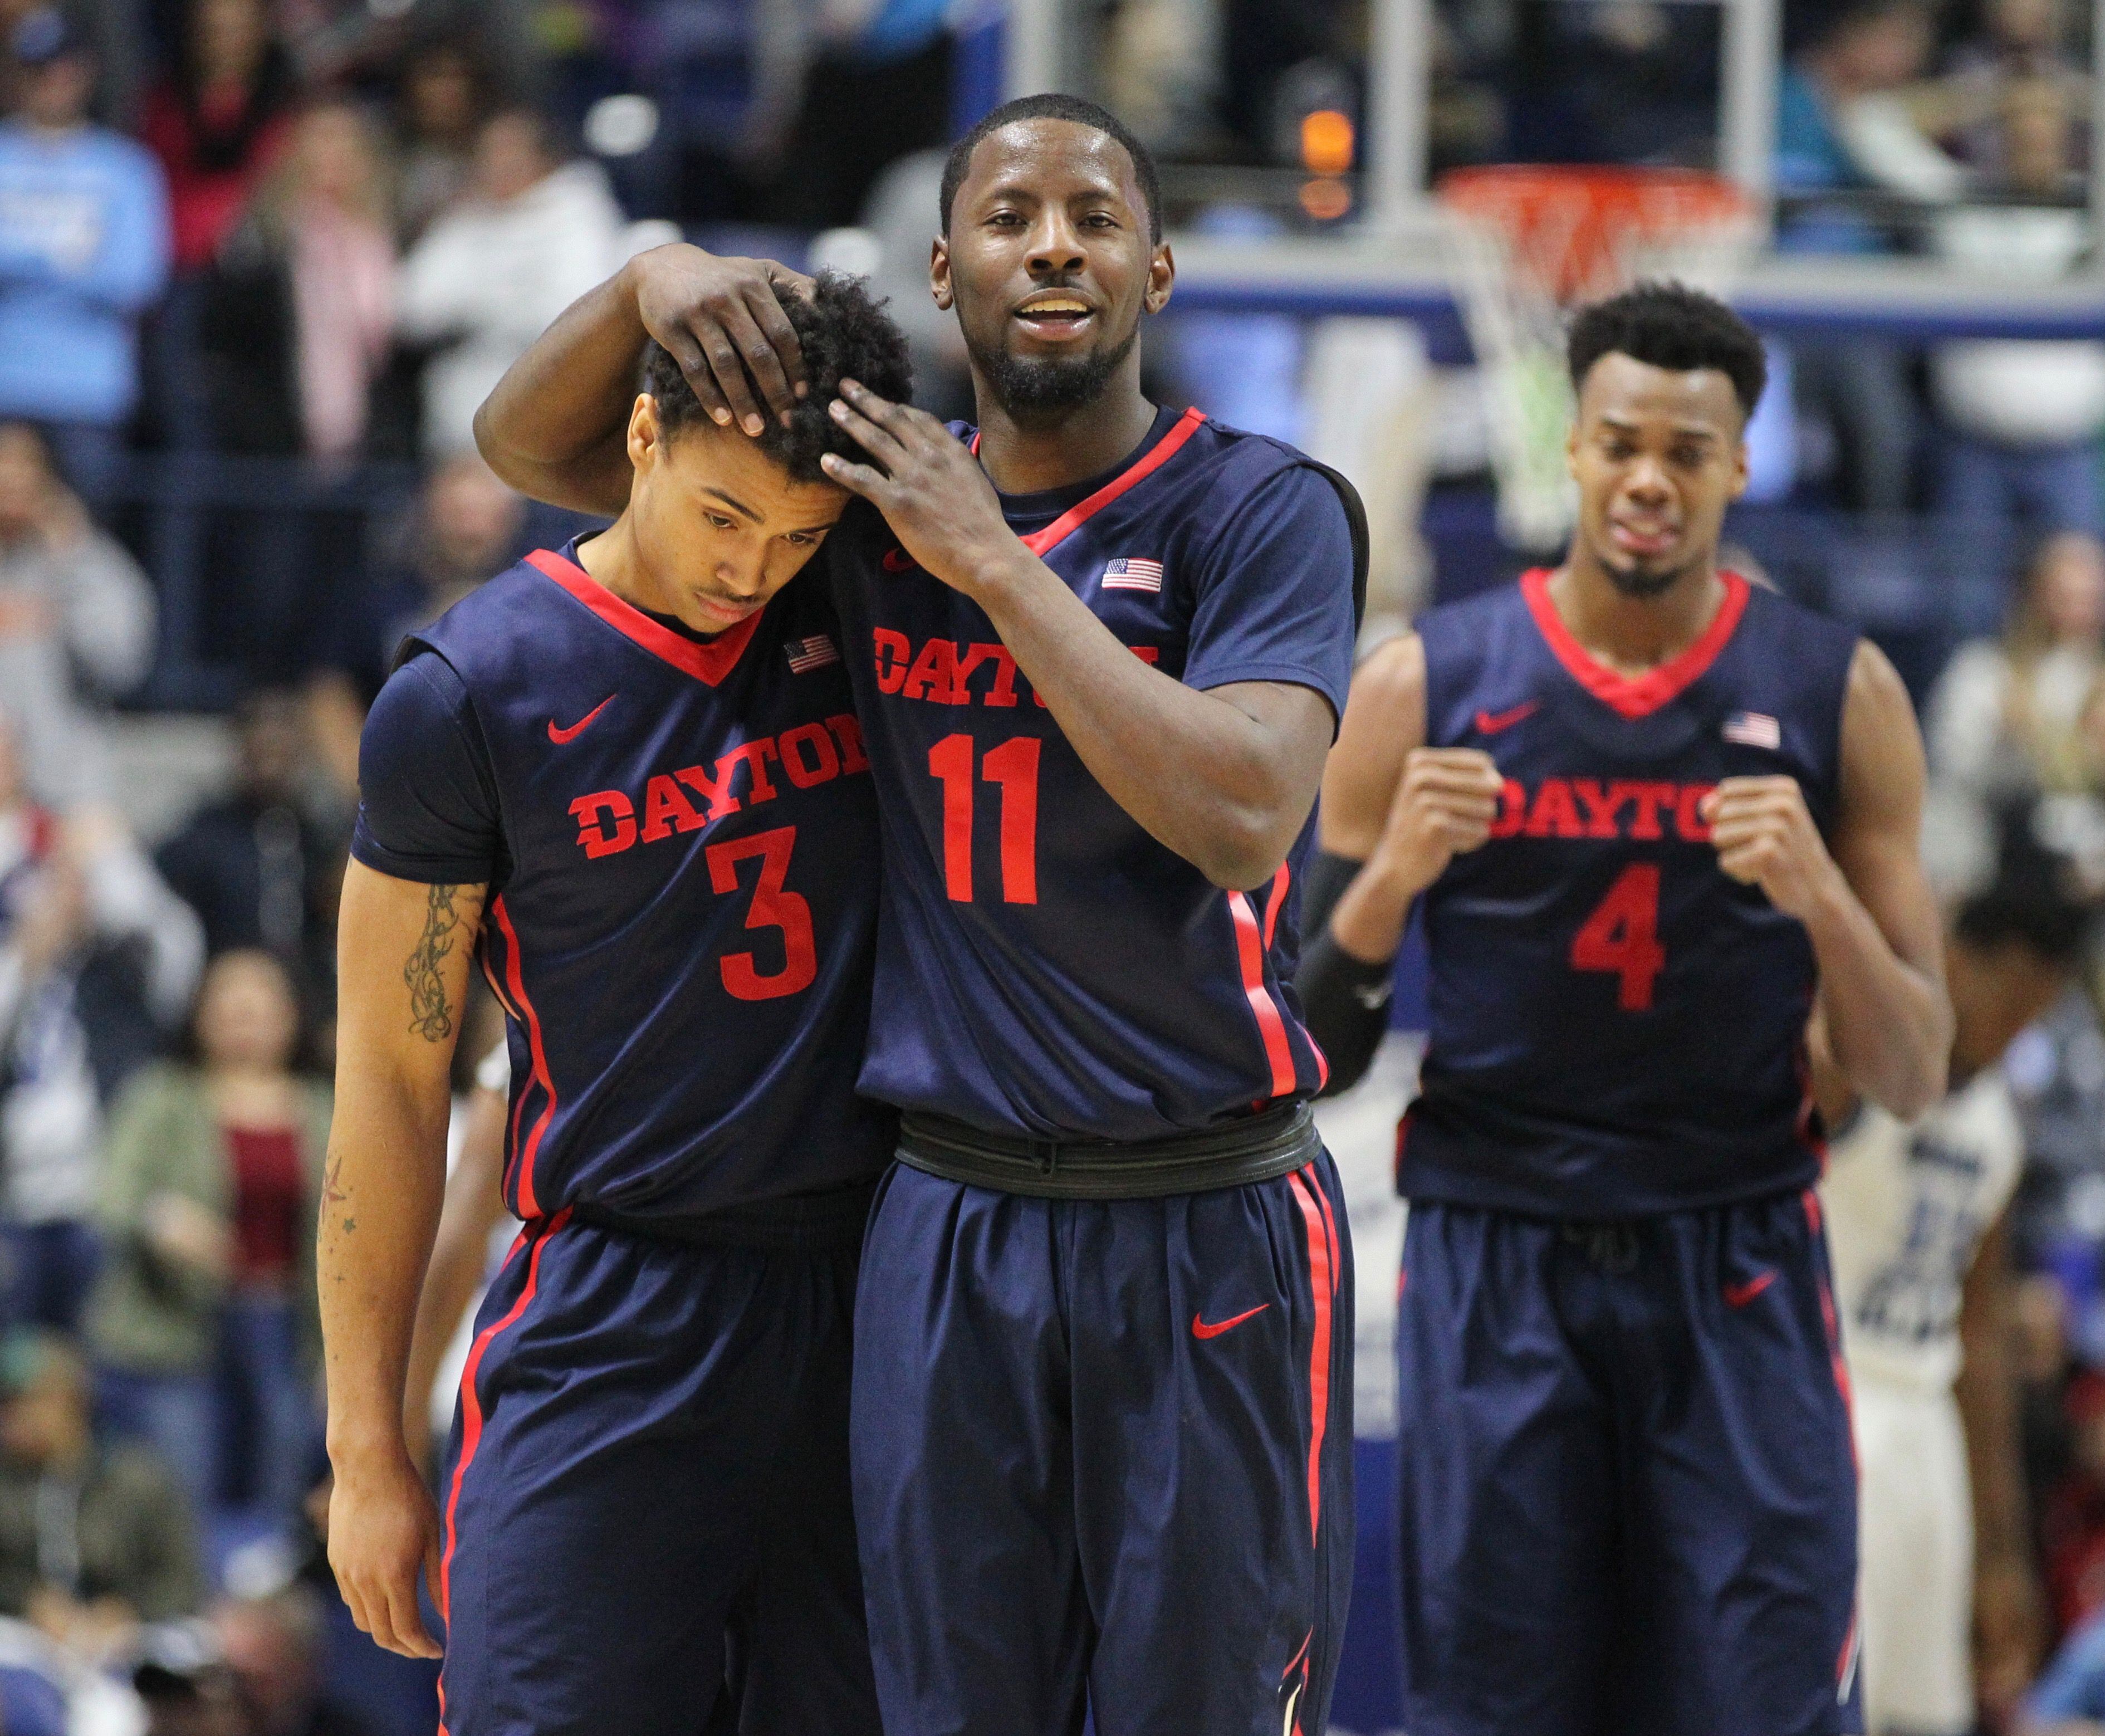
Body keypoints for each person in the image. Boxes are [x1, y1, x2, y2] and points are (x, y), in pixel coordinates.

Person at [476, 90, 1364, 1736]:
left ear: (1157, 270)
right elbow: (534, 452)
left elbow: (1247, 813)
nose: (1054, 245)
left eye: (1094, 218)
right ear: (944, 269)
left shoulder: (1262, 509)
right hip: (944, 1217)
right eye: (1013, 217)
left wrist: (1000, 571)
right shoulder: (867, 496)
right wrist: (649, 276)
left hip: (1204, 1205)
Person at [1296, 281, 1950, 1735]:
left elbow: (1911, 1068)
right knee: (1495, 1707)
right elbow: (1302, 1040)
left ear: (1733, 466)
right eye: (1618, 442)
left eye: (1685, 450)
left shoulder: (1837, 693)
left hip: (1736, 1254)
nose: (1648, 476)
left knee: (1763, 1703)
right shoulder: (1424, 682)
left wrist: (1822, 898)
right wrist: (1391, 877)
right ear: (1572, 451)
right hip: (1495, 1254)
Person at [321, 272, 910, 1736]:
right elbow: (392, 1082)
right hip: (619, 1306)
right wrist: (367, 1446)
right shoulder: (468, 693)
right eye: (723, 516)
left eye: (792, 536)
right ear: (639, 436)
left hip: (881, 1291)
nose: (752, 567)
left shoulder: (854, 589)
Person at [1819, 844, 2088, 1734]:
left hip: (1923, 1433)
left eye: (2036, 1007)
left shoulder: (1995, 1127)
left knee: (1926, 1715)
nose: (2014, 1021)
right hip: (1823, 1407)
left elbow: (1977, 1348)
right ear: (1953, 957)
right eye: (2005, 992)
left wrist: (2001, 1551)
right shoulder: (1847, 1068)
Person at [86, 950, 331, 1524]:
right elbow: (110, 1195)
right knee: (185, 1493)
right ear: (200, 1015)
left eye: (260, 1004)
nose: (245, 1018)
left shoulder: (324, 1107)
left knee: (281, 1489)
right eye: (230, 1005)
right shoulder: (163, 1096)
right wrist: (160, 1218)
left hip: (288, 1329)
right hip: (179, 1330)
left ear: (292, 1016)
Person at [0, 6, 169, 496]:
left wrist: (18, 263)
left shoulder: (126, 169)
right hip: (6, 385)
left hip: (87, 394)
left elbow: (136, 279)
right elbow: (101, 273)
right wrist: (64, 261)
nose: (53, 82)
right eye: (38, 69)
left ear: (85, 74)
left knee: (80, 546)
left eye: (64, 68)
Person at [394, 107, 629, 457]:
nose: (501, 165)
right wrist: (499, 302)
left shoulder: (579, 210)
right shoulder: (463, 220)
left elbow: (582, 306)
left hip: (556, 420)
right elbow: (409, 308)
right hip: (460, 429)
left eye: (512, 152)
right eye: (491, 154)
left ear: (542, 158)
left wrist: (480, 307)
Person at [199, 99, 395, 462]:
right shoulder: (261, 235)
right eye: (322, 140)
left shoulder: (384, 240)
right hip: (274, 439)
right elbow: (231, 335)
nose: (333, 156)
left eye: (345, 142)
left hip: (368, 439)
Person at [0, 1332, 202, 1649]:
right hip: (28, 1644)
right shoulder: (7, 1483)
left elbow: (181, 1582)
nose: (10, 1420)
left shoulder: (136, 1479)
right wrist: (27, 1601)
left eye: (23, 1403)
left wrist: (130, 1611)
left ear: (70, 1400)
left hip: (126, 1644)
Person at [0, 421, 158, 808]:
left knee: (123, 871)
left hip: (69, 809)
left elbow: (120, 662)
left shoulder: (91, 565)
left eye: (23, 468)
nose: (10, 482)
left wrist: (71, 556)